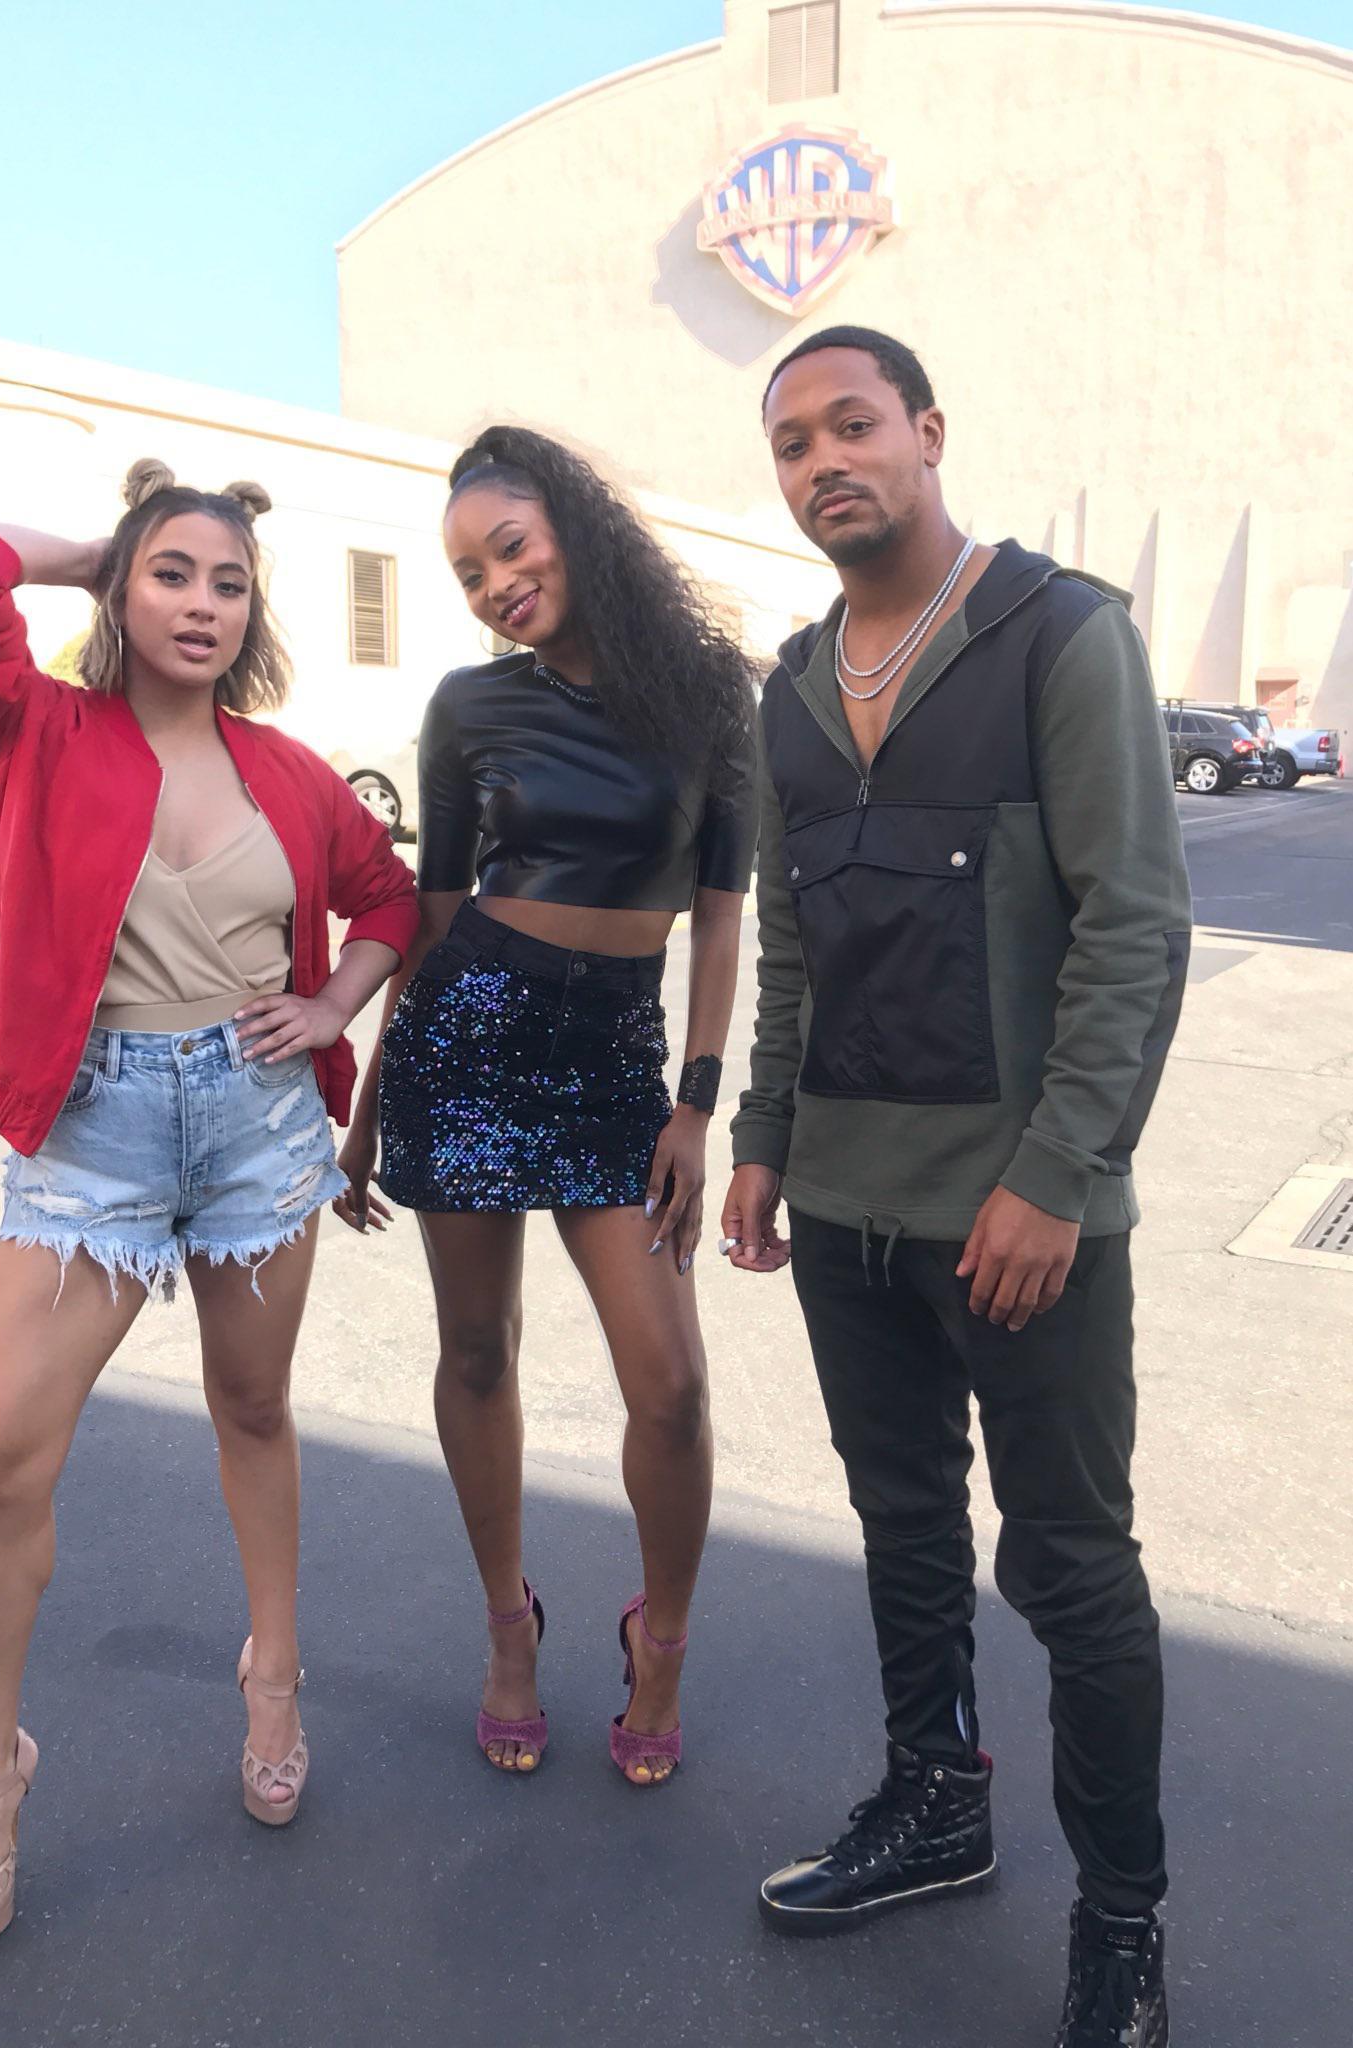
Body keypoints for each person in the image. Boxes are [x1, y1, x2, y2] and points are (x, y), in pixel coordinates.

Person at [720, 327, 1188, 2047]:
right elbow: (790, 941)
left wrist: (1057, 1176)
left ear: (925, 431)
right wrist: (763, 1133)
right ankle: (935, 1804)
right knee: (903, 1526)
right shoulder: (786, 688)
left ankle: (1121, 1921)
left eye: (851, 425)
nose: (822, 461)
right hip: (844, 1212)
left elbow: (1134, 927)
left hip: (1018, 1222)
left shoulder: (1058, 634)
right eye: (790, 442)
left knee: (1068, 1569)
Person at [0, 461, 418, 1956]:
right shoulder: (33, 728)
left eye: (228, 583)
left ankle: (274, 1676)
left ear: (254, 614)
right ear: (125, 589)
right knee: (1, 1463)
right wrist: (92, 552)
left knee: (252, 1409)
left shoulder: (289, 772)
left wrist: (329, 1005)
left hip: (258, 1132)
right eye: (171, 573)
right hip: (93, 1140)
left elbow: (391, 900)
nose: (202, 604)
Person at [335, 426, 755, 1786]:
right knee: (476, 1353)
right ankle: (507, 1628)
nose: (494, 583)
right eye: (468, 572)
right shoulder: (469, 705)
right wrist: (372, 1105)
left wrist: (694, 1106)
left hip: (613, 1065)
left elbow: (718, 916)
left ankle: (660, 1643)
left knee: (671, 1387)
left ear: (577, 528)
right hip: (464, 1042)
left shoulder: (707, 694)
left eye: (510, 547)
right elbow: (434, 913)